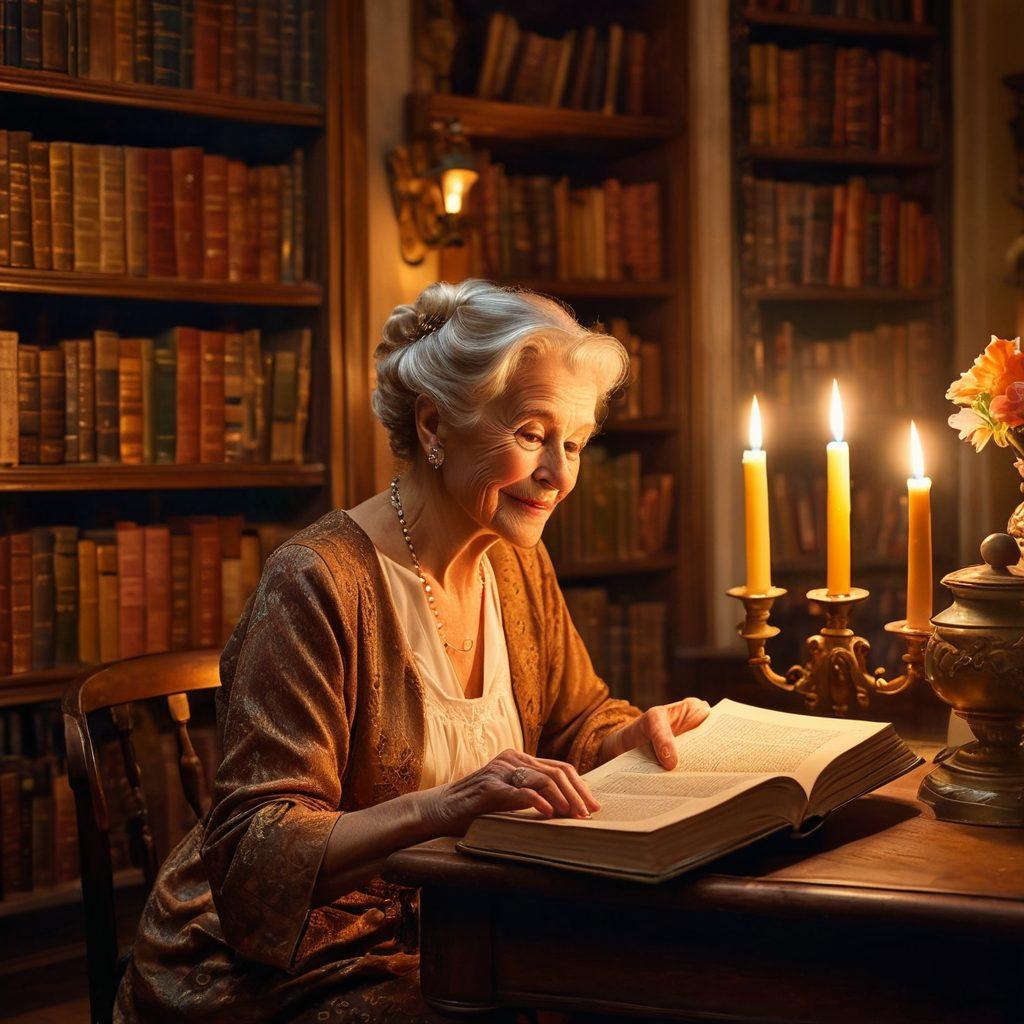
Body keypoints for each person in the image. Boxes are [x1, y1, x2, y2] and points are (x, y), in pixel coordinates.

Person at [115, 280, 711, 1023]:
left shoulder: (517, 562)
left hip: (474, 921)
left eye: (575, 444)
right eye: (532, 434)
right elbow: (255, 851)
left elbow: (573, 722)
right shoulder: (319, 581)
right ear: (434, 423)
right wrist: (448, 805)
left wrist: (630, 736)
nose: (559, 475)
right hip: (298, 960)